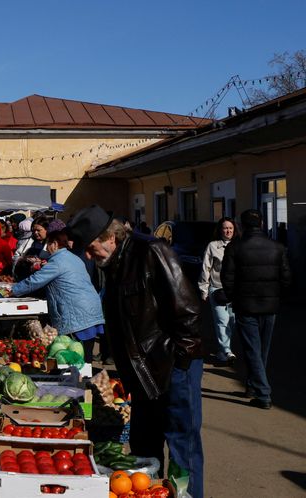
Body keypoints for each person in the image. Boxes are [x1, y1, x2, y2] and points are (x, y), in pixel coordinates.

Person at [67, 205, 203, 498]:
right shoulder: (114, 264)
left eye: (91, 249)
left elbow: (188, 310)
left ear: (110, 237)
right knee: (144, 450)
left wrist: (180, 362)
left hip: (172, 367)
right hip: (141, 374)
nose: (89, 257)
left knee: (182, 447)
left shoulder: (151, 252)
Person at [221, 209, 291, 410]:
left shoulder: (235, 247)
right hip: (270, 306)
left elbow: (228, 279)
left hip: (246, 306)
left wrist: (235, 298)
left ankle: (263, 393)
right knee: (262, 350)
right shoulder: (277, 247)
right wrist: (279, 298)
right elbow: (286, 278)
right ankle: (252, 386)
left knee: (253, 350)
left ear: (241, 226)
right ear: (261, 224)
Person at [11, 230, 104, 361]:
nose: (47, 249)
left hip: (76, 315)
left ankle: (79, 380)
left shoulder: (57, 262)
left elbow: (34, 281)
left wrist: (13, 290)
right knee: (85, 355)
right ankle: (86, 379)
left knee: (74, 357)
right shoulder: (74, 258)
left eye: (47, 245)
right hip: (91, 311)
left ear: (54, 244)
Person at [198, 217, 237, 365]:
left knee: (232, 321)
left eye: (230, 228)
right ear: (220, 230)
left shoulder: (238, 245)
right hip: (217, 288)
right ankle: (227, 351)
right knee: (222, 320)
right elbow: (206, 268)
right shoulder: (212, 246)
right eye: (225, 228)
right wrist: (204, 289)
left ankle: (222, 350)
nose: (228, 231)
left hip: (235, 290)